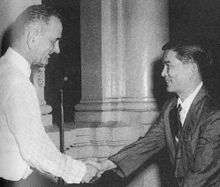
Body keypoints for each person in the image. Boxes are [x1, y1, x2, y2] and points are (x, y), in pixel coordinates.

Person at [88, 39, 220, 186]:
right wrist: (104, 165)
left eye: (168, 66)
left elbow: (199, 175)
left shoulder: (214, 115)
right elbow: (147, 144)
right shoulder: (170, 108)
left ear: (191, 69)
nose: (163, 73)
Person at [0, 4, 98, 187]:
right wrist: (81, 171)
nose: (57, 49)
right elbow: (35, 150)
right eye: (53, 41)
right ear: (33, 37)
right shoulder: (17, 83)